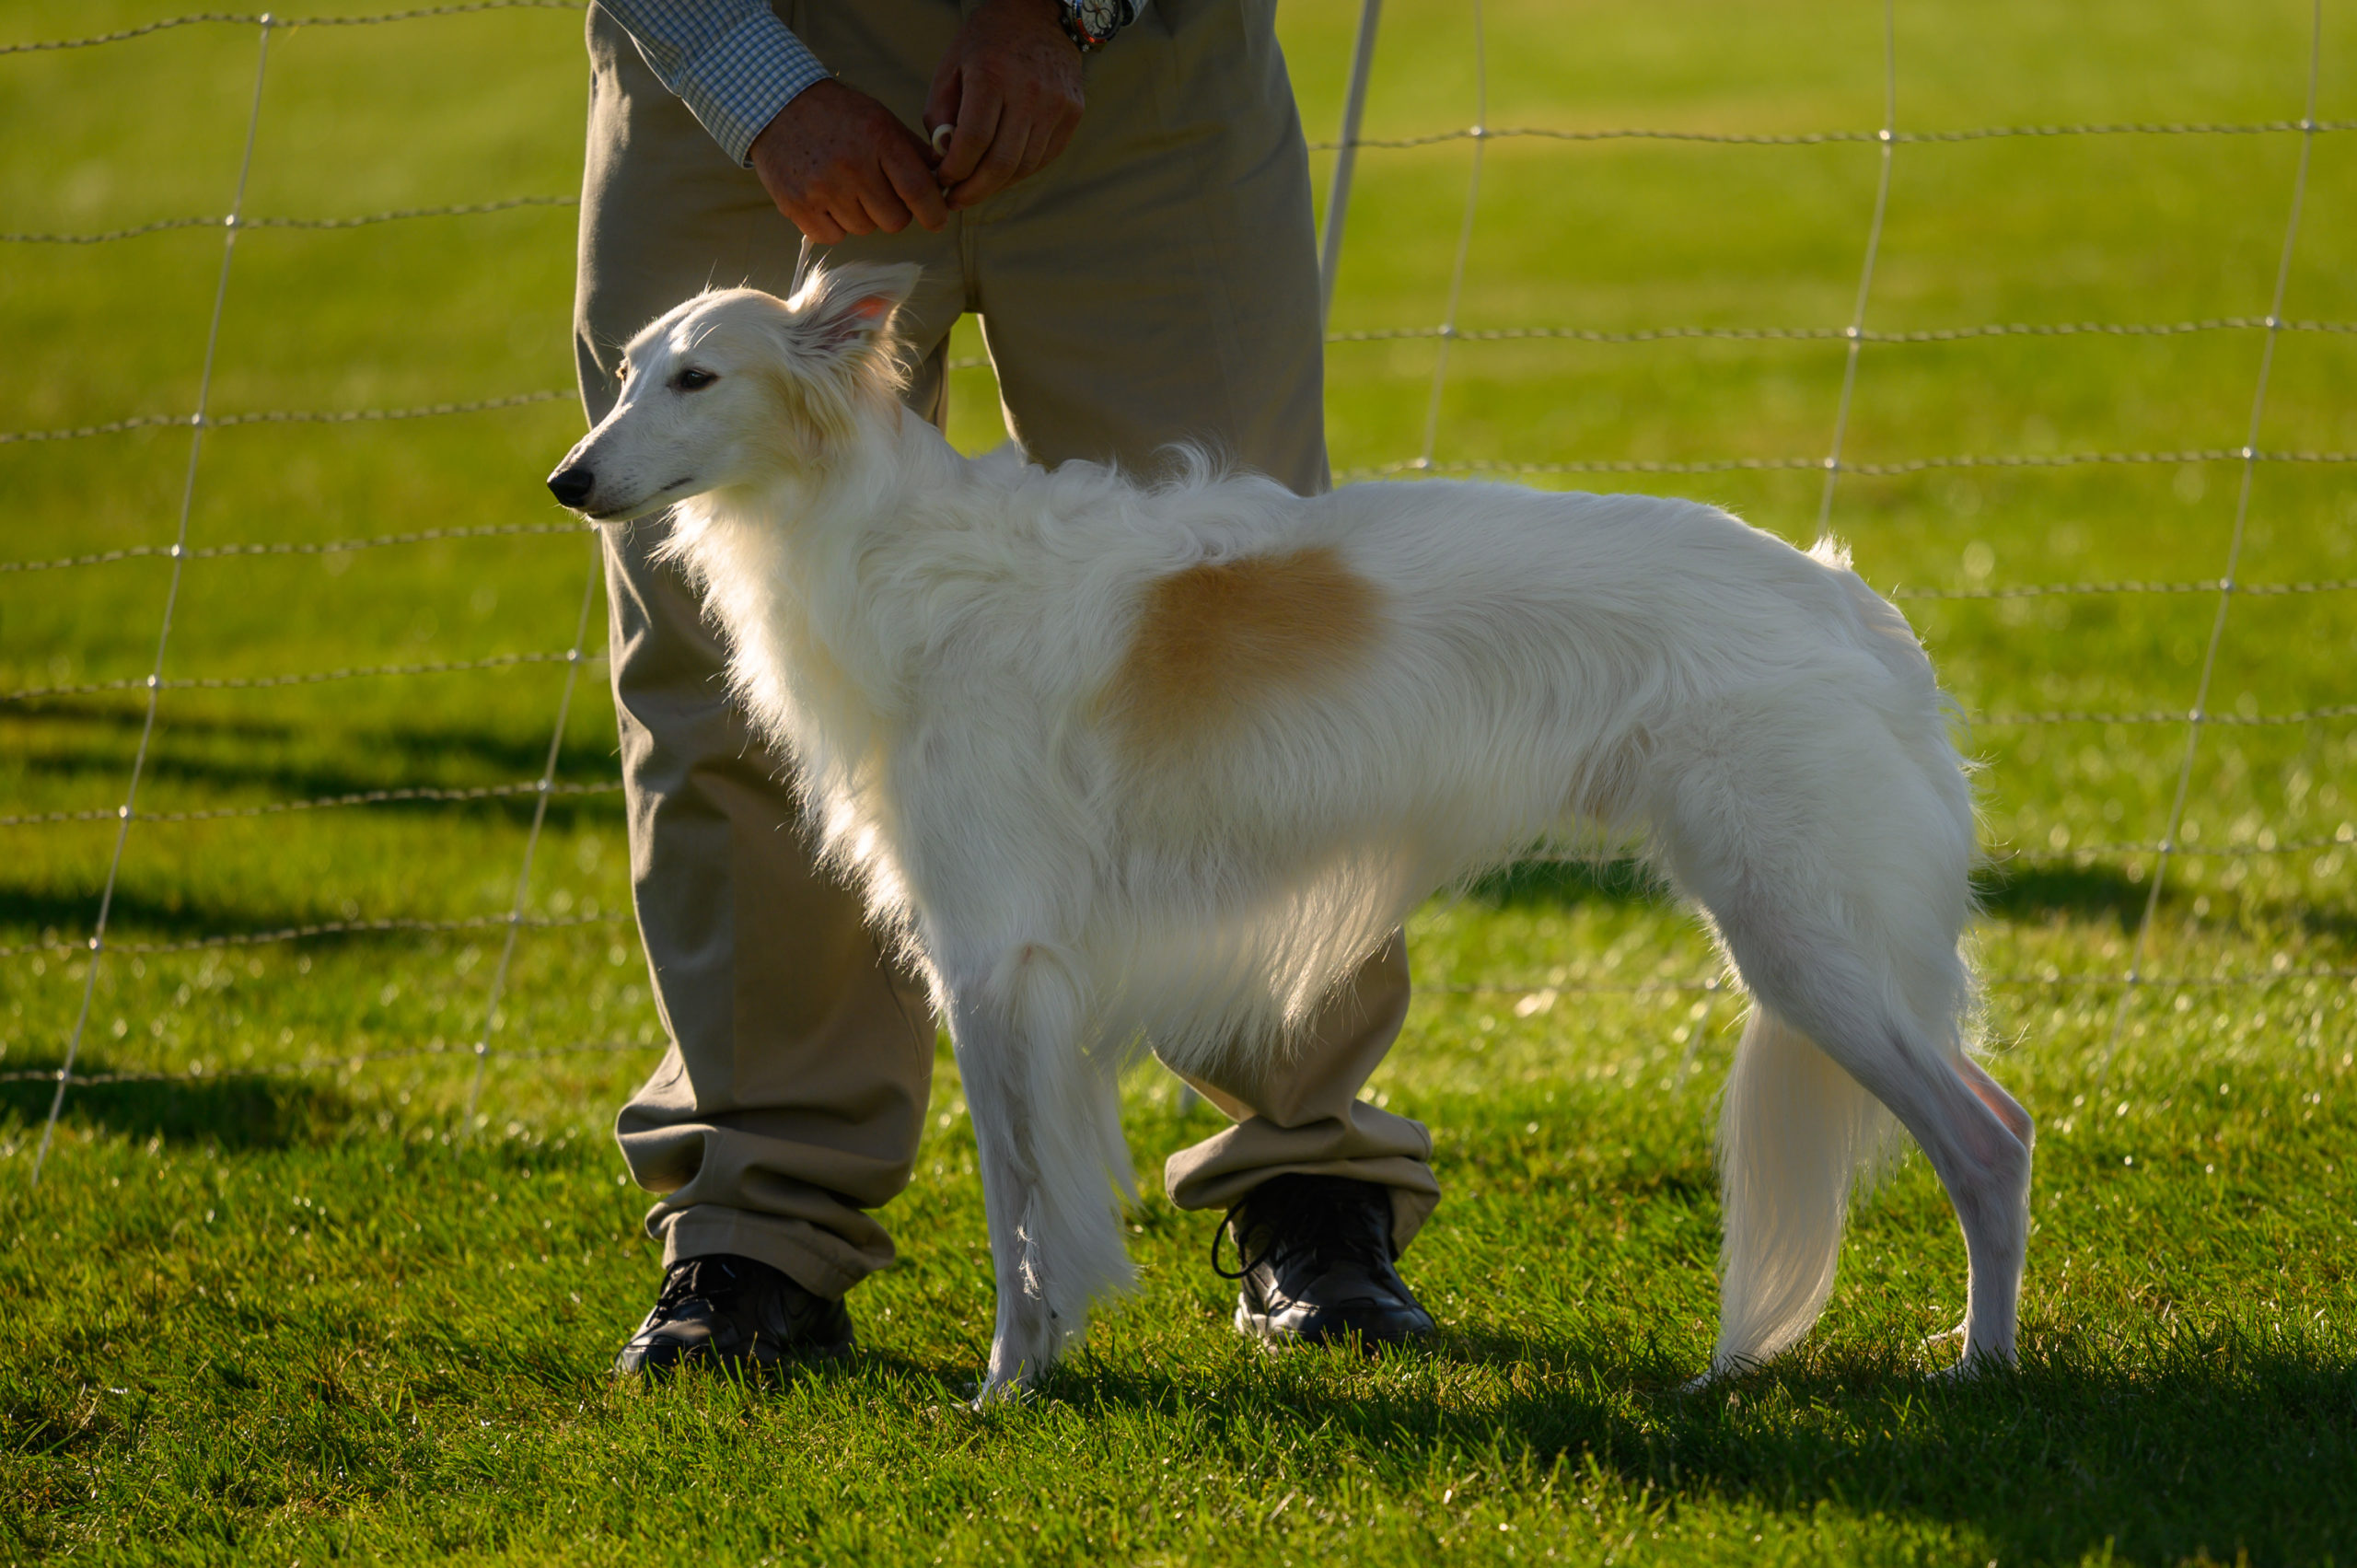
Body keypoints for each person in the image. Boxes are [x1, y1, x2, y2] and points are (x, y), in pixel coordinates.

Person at [571, 0, 1441, 1376]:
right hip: (734, 63)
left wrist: (1060, 12)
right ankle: (760, 1217)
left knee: (1243, 632)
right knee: (720, 682)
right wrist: (761, 87)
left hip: (1139, 69)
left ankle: (1305, 1165)